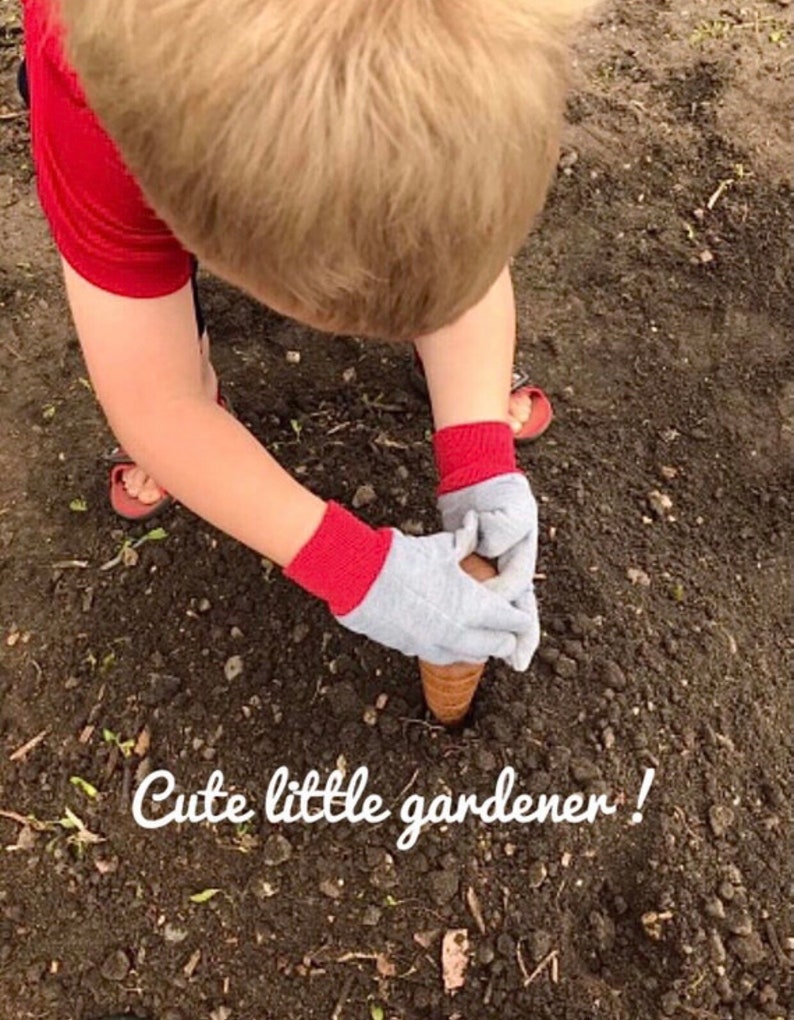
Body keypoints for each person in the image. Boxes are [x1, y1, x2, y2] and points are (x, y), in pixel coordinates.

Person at [20, 0, 592, 677]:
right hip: (113, 105)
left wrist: (480, 457)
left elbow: (452, 208)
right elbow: (153, 401)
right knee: (154, 345)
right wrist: (354, 568)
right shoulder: (91, 92)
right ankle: (199, 382)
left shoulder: (490, 32)